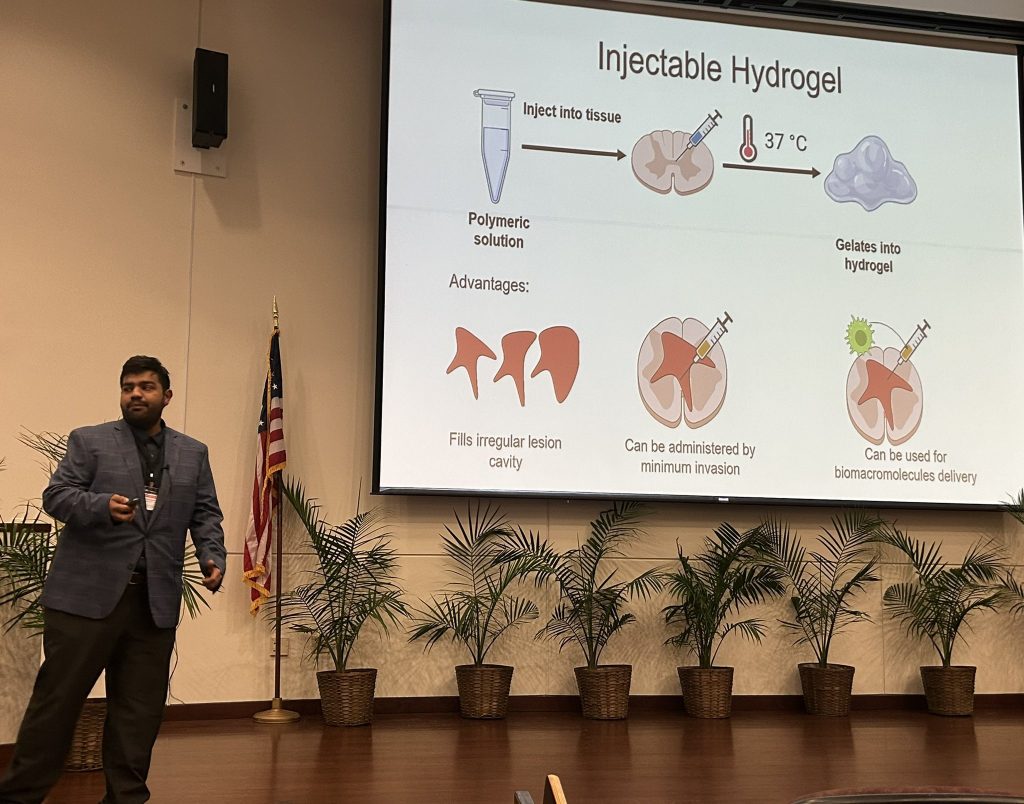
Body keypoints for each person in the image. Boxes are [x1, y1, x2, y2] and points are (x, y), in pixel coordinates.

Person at [0, 355, 226, 804]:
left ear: (167, 396)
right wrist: (100, 506)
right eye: (128, 387)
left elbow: (205, 512)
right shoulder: (90, 441)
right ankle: (19, 797)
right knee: (56, 705)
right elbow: (57, 496)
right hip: (84, 601)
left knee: (138, 713)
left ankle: (126, 798)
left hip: (153, 603)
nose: (135, 394)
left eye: (146, 386)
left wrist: (211, 554)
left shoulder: (193, 452)